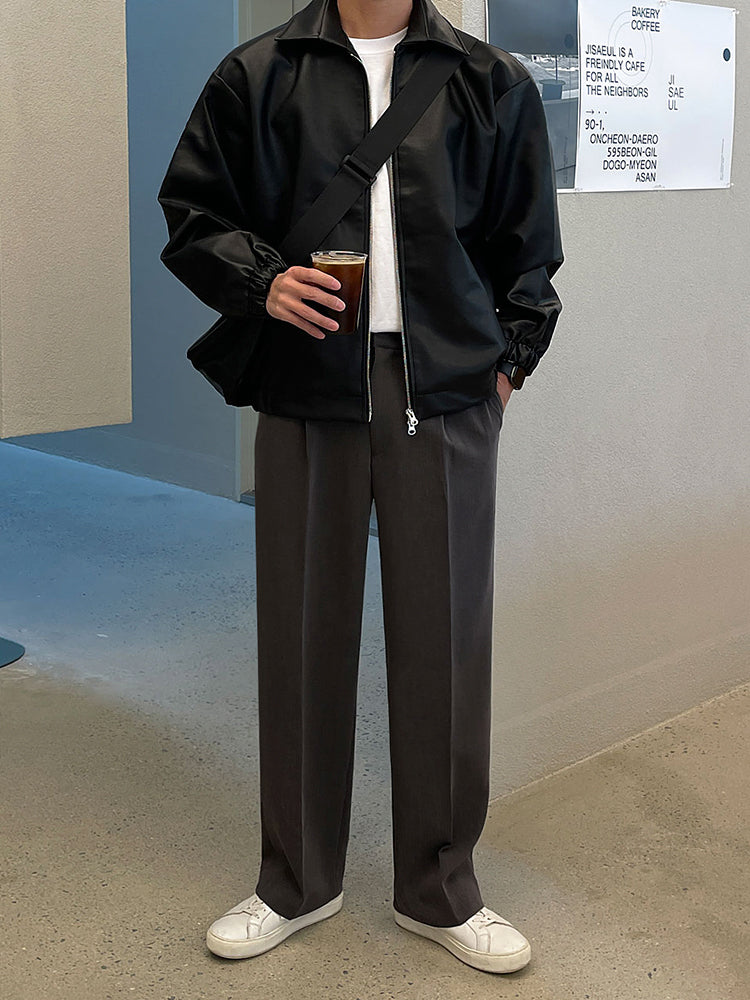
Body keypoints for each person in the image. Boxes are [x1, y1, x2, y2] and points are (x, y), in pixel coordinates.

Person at [158, 0, 563, 976]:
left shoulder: (489, 80)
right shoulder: (259, 72)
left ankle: (440, 888)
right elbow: (194, 212)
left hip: (447, 397)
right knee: (302, 633)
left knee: (446, 642)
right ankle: (296, 880)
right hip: (308, 384)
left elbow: (528, 246)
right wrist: (260, 280)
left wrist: (507, 365)